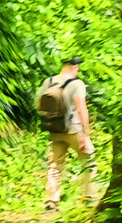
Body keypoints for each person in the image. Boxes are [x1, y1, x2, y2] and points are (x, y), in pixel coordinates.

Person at [38, 58, 95, 214]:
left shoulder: (48, 81)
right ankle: (89, 197)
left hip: (55, 129)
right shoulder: (77, 84)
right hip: (74, 130)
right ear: (75, 67)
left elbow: (38, 105)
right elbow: (81, 108)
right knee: (89, 160)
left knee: (55, 165)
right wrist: (86, 134)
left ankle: (51, 202)